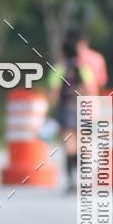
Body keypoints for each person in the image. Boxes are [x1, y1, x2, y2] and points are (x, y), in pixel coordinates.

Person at [48, 35, 97, 192]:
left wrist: (49, 110)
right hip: (82, 109)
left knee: (69, 146)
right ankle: (85, 180)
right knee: (83, 146)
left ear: (63, 53)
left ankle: (71, 181)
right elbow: (91, 91)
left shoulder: (58, 69)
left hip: (66, 110)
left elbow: (54, 93)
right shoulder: (84, 69)